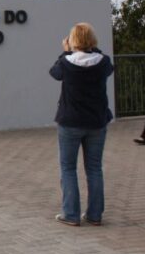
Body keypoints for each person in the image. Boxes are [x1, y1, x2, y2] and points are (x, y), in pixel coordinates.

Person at [49, 22, 114, 226]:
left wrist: (65, 51)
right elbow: (107, 66)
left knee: (68, 168)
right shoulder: (103, 62)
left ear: (73, 40)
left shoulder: (67, 62)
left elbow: (54, 73)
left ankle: (71, 213)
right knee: (94, 168)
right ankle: (95, 215)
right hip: (96, 121)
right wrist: (90, 48)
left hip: (70, 122)